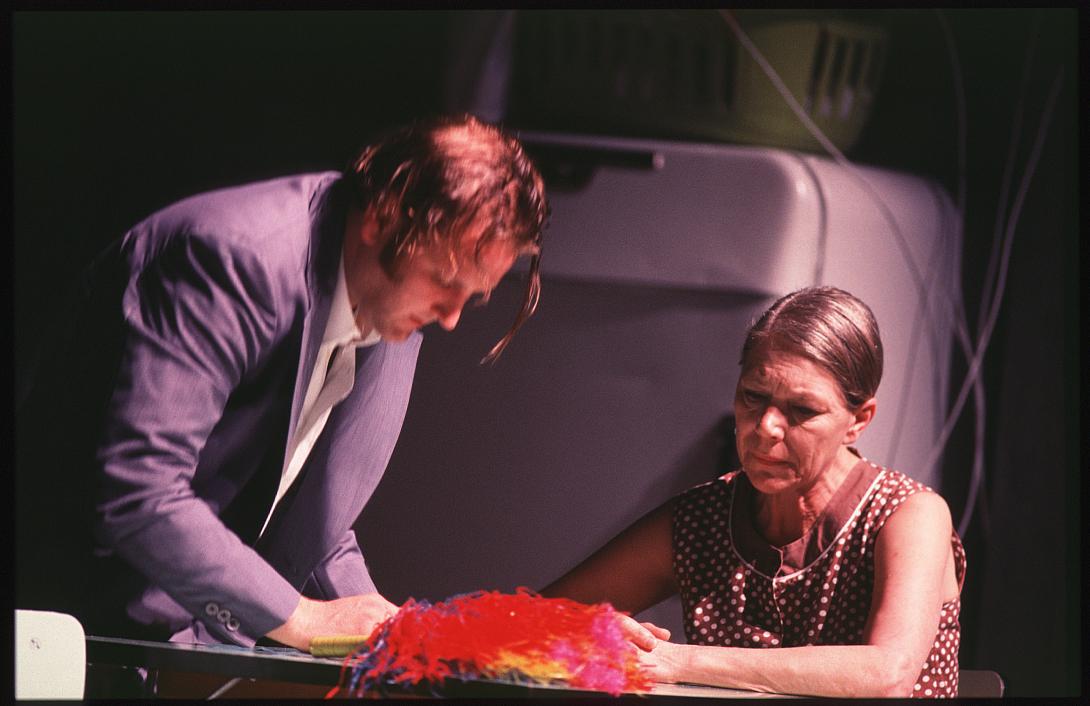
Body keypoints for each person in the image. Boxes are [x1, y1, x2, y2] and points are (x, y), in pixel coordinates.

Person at [16, 114, 548, 655]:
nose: (451, 317)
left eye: (472, 295)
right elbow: (139, 489)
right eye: (444, 280)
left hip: (134, 641)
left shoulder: (394, 302)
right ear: (383, 217)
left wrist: (393, 630)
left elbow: (309, 513)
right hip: (43, 619)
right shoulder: (236, 257)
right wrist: (302, 617)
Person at [542, 286, 966, 698]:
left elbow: (888, 674)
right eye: (753, 397)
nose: (765, 428)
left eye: (802, 410)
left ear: (859, 419)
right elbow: (538, 619)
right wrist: (593, 634)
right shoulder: (704, 519)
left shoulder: (909, 515)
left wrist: (677, 661)